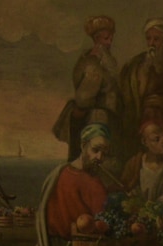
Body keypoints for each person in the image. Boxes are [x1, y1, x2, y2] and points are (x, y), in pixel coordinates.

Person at [33, 123, 117, 246]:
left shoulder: (62, 172)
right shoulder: (68, 176)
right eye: (95, 150)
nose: (99, 157)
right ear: (83, 146)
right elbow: (103, 222)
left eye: (105, 153)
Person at [52, 15, 120, 161]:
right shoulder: (93, 65)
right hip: (95, 119)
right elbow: (84, 99)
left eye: (110, 38)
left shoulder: (102, 59)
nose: (109, 42)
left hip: (98, 117)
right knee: (96, 160)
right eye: (105, 38)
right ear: (96, 39)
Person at [117, 17, 163, 168]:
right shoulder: (138, 63)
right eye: (149, 38)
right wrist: (145, 69)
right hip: (144, 114)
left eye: (156, 39)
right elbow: (134, 92)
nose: (152, 43)